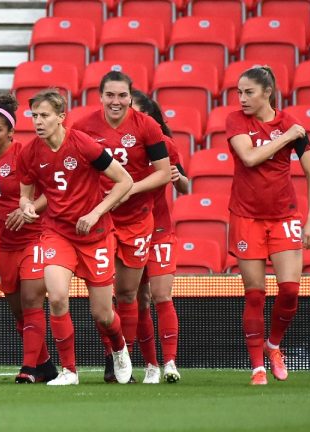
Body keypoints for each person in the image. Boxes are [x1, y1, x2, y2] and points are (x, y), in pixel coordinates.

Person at [18, 89, 134, 385]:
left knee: (102, 315)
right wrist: (27, 207)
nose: (39, 121)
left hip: (95, 235)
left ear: (61, 117)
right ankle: (69, 371)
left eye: (45, 115)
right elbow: (25, 195)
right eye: (35, 116)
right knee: (56, 297)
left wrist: (95, 213)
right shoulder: (30, 152)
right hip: (57, 232)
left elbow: (125, 181)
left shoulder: (83, 144)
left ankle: (119, 348)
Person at [72, 71, 171, 381]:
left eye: (122, 96)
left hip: (138, 219)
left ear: (130, 97)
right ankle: (113, 357)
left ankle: (122, 356)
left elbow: (164, 173)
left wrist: (128, 190)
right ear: (100, 97)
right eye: (110, 95)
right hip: (102, 219)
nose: (116, 101)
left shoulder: (147, 127)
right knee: (104, 295)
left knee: (127, 295)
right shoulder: (83, 127)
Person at [225, 66, 310, 385]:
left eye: (249, 92)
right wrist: (287, 138)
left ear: (268, 92)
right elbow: (249, 158)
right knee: (255, 294)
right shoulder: (236, 121)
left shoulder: (290, 124)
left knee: (290, 291)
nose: (242, 98)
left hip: (284, 217)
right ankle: (257, 367)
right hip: (246, 217)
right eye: (239, 92)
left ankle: (274, 345)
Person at [0, 94, 58, 384]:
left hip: (35, 237)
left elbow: (50, 192)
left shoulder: (25, 153)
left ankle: (28, 369)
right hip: (5, 243)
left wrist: (29, 209)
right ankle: (44, 365)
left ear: (10, 132)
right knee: (18, 310)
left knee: (32, 300)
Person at [130, 90, 189, 384]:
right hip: (130, 230)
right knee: (138, 299)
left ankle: (169, 363)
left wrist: (180, 179)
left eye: (136, 112)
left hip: (160, 230)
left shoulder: (165, 145)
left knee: (161, 295)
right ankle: (150, 365)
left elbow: (186, 187)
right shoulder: (120, 148)